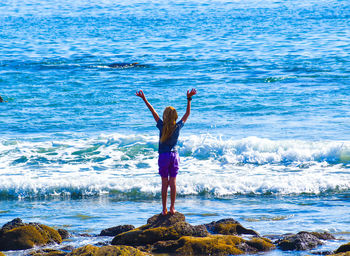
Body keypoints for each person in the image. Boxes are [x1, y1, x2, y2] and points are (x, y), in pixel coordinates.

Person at [136, 89, 197, 215]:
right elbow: (187, 114)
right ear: (175, 116)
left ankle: (164, 209)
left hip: (163, 156)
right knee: (173, 182)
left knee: (164, 183)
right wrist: (189, 99)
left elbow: (152, 111)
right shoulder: (177, 127)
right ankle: (172, 208)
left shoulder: (161, 126)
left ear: (164, 116)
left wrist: (144, 99)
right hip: (174, 155)